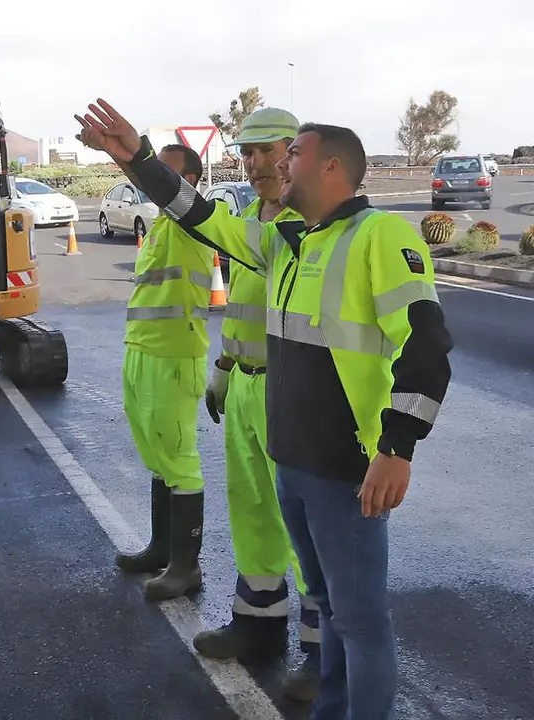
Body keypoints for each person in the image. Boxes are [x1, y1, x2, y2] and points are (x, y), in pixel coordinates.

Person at [74, 99, 453, 719]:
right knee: (331, 608)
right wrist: (138, 159)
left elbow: (427, 344)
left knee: (357, 620)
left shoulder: (379, 235)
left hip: (346, 464)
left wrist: (396, 448)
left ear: (330, 168)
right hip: (294, 457)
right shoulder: (285, 240)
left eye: (292, 153)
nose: (274, 166)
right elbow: (201, 215)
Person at [191, 107, 322, 700]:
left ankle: (322, 657)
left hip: (288, 388)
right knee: (252, 514)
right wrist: (222, 367)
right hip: (243, 382)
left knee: (307, 527)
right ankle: (258, 629)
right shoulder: (247, 215)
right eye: (244, 153)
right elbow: (243, 305)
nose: (252, 162)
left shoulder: (310, 221)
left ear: (292, 152)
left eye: (263, 151)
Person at [113, 142, 216, 602]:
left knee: (179, 459)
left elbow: (155, 181)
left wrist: (134, 154)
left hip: (175, 355)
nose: (154, 183)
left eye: (166, 175)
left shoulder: (193, 221)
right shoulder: (158, 223)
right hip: (142, 350)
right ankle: (160, 548)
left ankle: (185, 566)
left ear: (188, 183)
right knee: (156, 454)